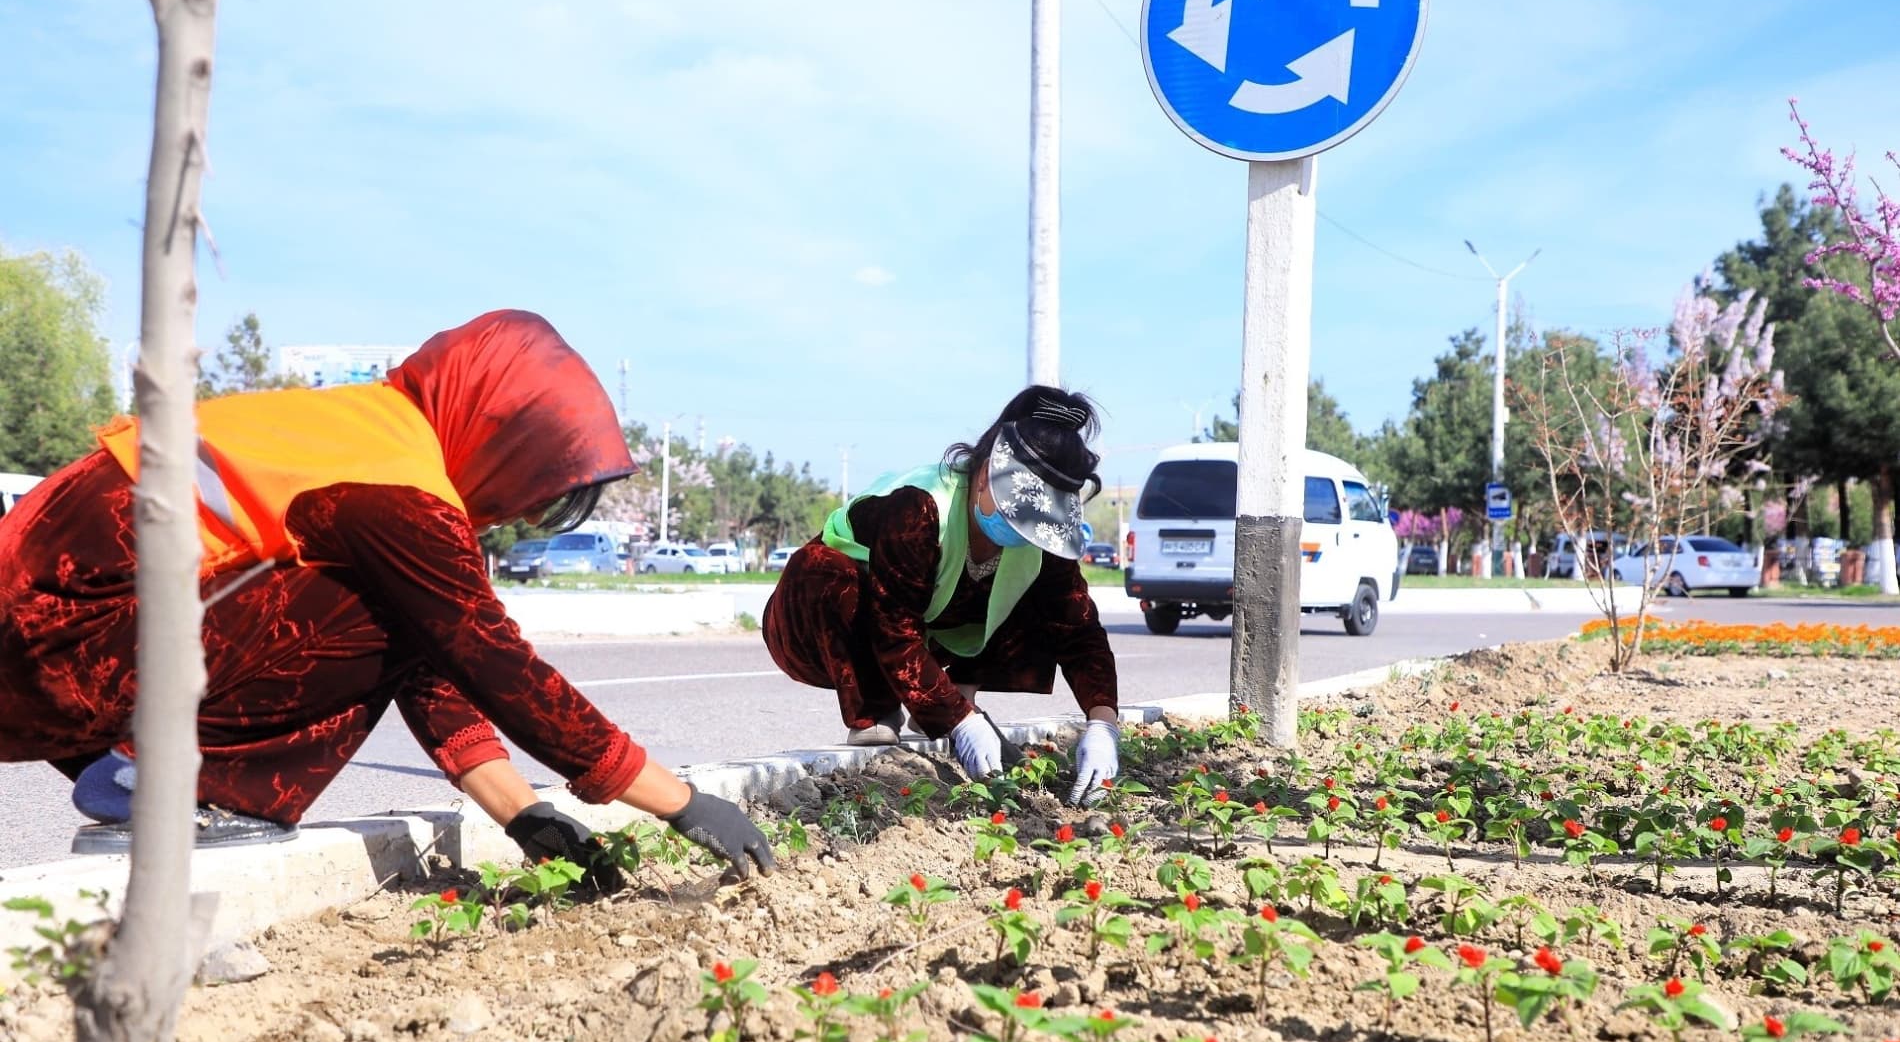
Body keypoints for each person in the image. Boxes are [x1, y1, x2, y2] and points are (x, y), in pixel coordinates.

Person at [0, 310, 775, 880]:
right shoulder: (395, 490)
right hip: (61, 643)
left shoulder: (365, 431)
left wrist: (523, 813)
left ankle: (153, 777)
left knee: (414, 614)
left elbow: (434, 660)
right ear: (495, 430)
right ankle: (175, 786)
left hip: (59, 637)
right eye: (532, 481)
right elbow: (492, 664)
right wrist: (681, 803)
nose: (520, 508)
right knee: (426, 619)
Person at [762, 385, 1120, 805]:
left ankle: (954, 696)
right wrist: (961, 724)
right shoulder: (918, 508)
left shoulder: (1042, 541)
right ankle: (877, 709)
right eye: (1017, 516)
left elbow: (1077, 629)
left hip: (928, 629)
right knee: (826, 573)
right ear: (985, 476)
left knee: (1041, 593)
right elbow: (894, 629)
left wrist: (1103, 723)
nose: (1022, 534)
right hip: (825, 622)